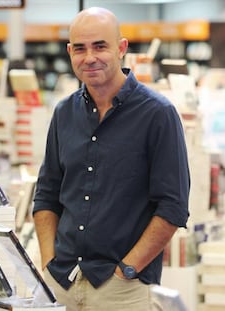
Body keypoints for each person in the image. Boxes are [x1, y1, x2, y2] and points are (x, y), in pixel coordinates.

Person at [32, 7, 190, 311]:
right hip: (61, 282)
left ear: (121, 48)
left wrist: (126, 270)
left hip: (122, 290)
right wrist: (49, 262)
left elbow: (173, 206)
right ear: (69, 52)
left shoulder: (157, 115)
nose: (89, 57)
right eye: (80, 48)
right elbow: (46, 194)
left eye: (100, 46)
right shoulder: (64, 113)